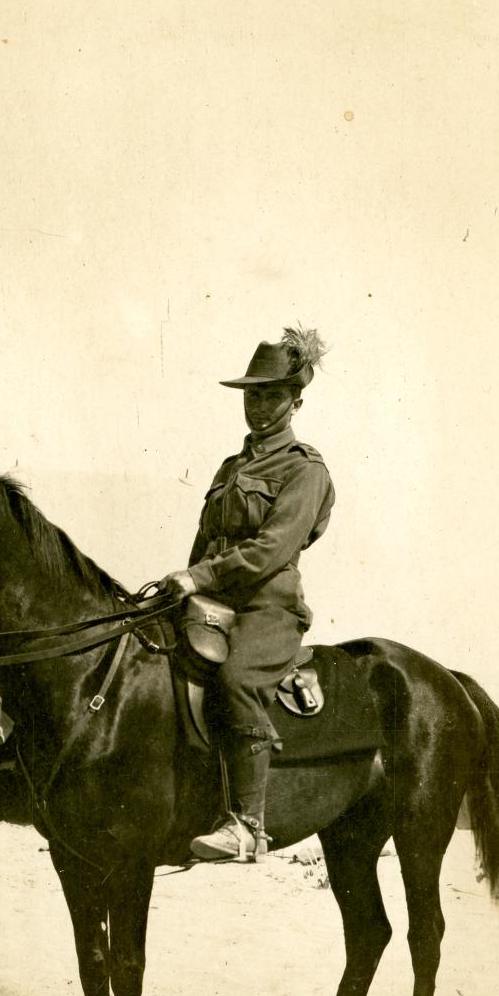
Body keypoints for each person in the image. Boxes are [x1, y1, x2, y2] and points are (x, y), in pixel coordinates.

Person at [162, 326, 335, 862]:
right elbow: (202, 542)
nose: (258, 406)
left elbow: (271, 549)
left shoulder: (305, 470)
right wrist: (182, 586)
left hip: (266, 606)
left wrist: (201, 578)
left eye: (271, 395)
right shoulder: (231, 467)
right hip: (213, 602)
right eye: (251, 395)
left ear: (295, 401)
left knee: (236, 679)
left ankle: (245, 824)